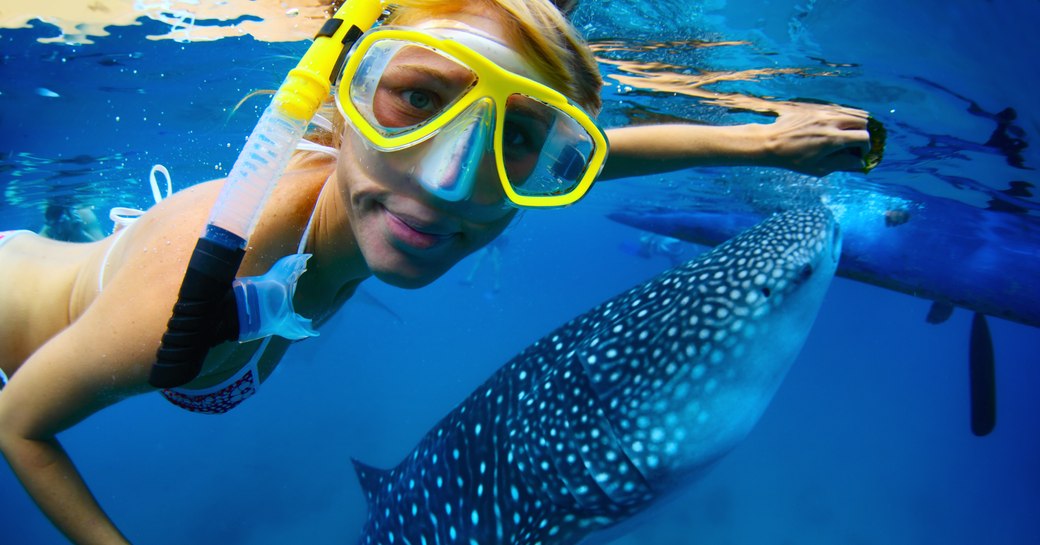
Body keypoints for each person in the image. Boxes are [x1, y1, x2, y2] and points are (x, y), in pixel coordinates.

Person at [0, 0, 870, 543]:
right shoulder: (195, 289)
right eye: (416, 97)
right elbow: (19, 424)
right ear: (339, 104)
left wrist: (757, 138)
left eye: (520, 139)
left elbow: (594, 156)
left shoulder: (382, 188)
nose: (448, 178)